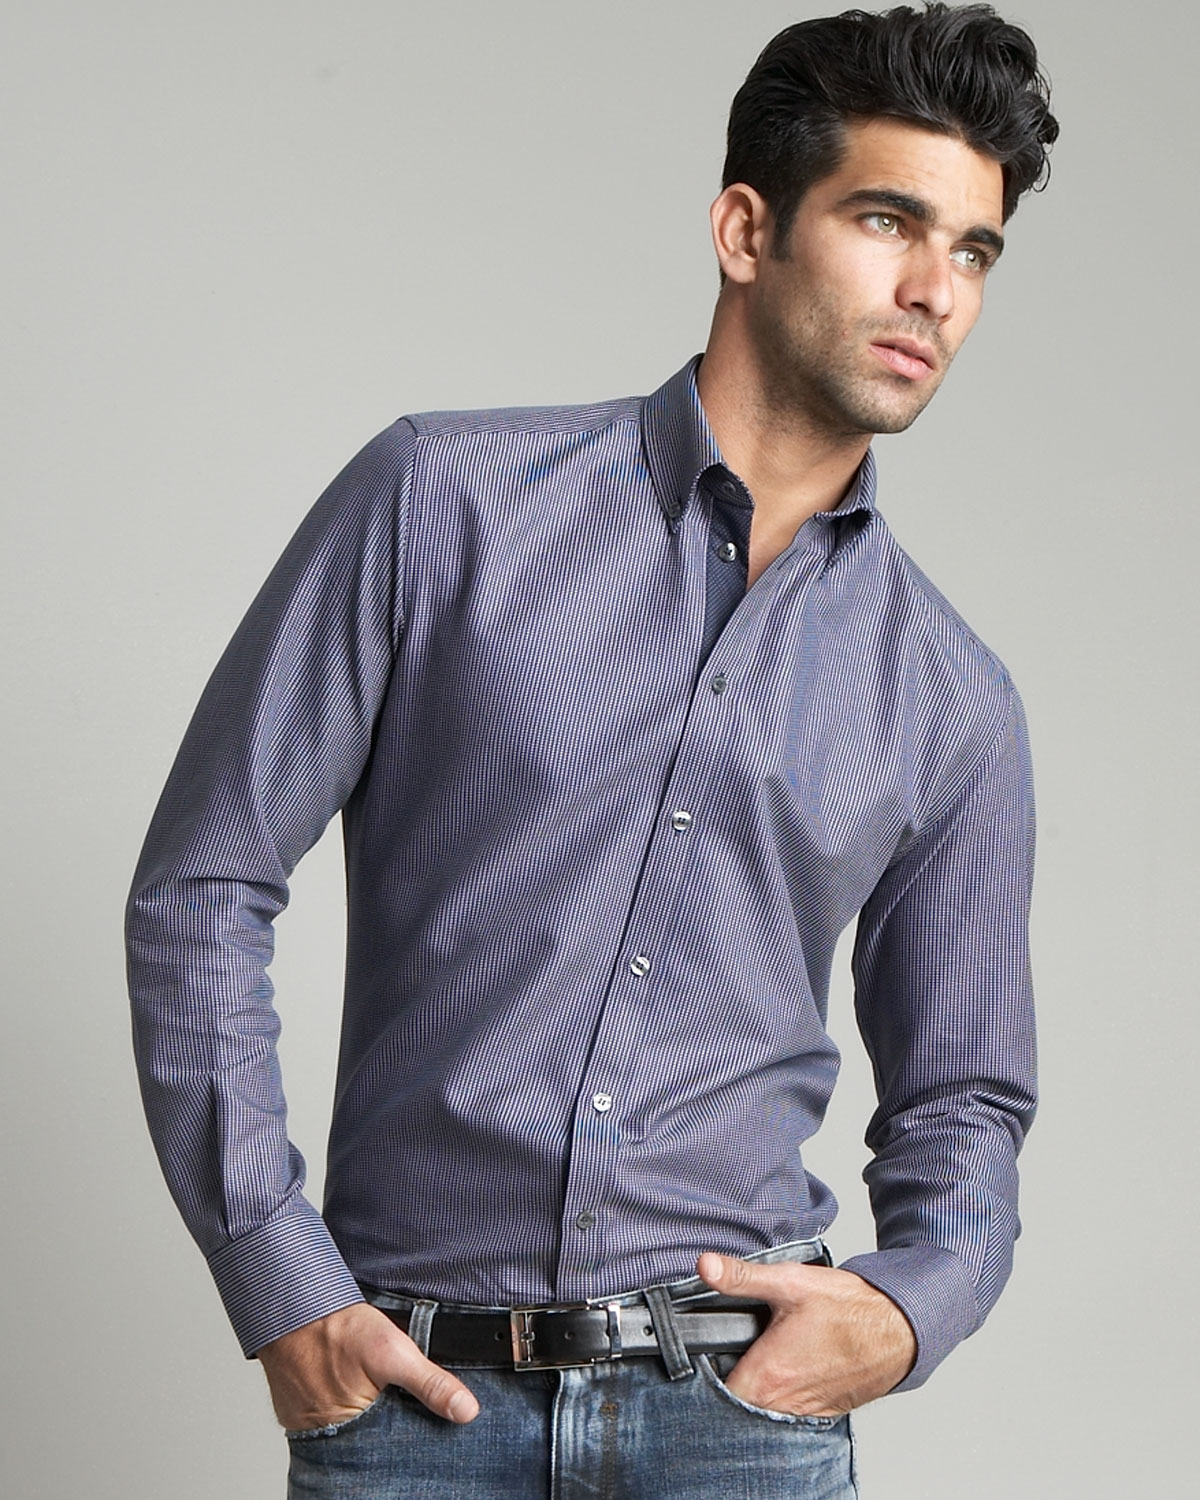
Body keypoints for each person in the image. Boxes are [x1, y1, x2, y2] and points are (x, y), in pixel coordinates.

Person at [126, 5, 1058, 1495]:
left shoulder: (952, 694)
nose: (934, 290)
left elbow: (967, 1095)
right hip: (414, 1412)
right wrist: (276, 1272)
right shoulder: (440, 504)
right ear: (746, 230)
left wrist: (907, 1311)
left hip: (737, 1427)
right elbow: (204, 884)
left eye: (975, 250)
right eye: (888, 221)